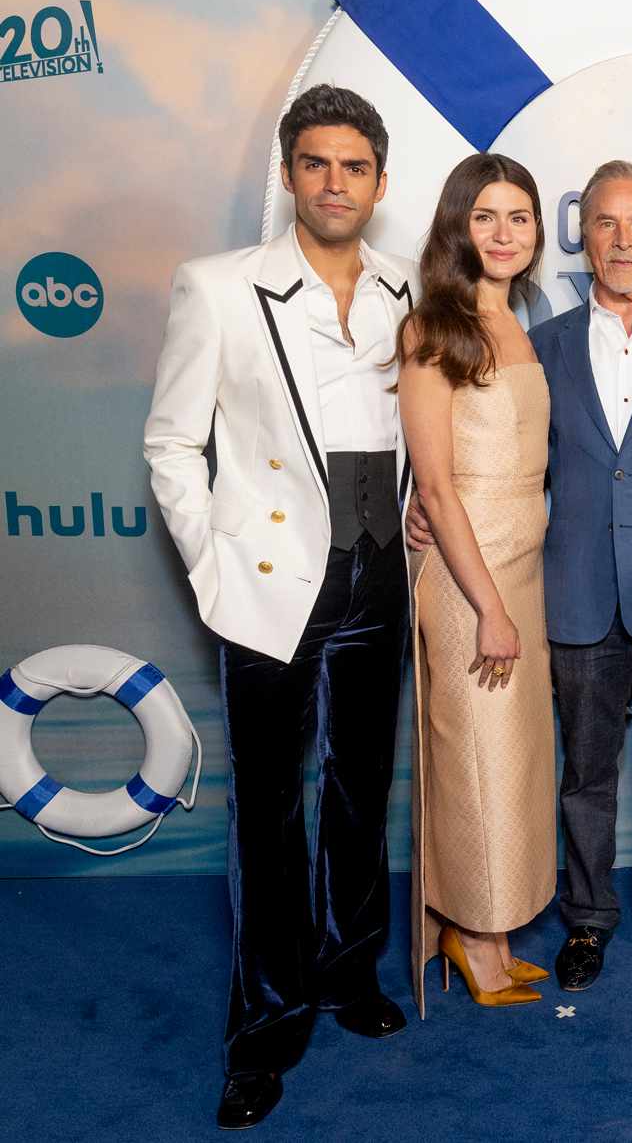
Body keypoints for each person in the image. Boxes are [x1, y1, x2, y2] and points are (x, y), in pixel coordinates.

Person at [409, 160, 632, 998]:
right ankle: (588, 920)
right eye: (605, 223)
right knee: (584, 775)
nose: (622, 240)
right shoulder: (545, 345)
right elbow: (489, 452)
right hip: (571, 597)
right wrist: (421, 508)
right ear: (582, 236)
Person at [144, 85, 413, 1130]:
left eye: (354, 166)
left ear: (379, 184)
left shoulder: (405, 291)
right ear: (291, 175)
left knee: (359, 792)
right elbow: (173, 443)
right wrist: (214, 564)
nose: (335, 182)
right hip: (268, 587)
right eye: (316, 163)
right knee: (268, 808)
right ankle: (265, 1022)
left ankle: (349, 975)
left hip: (380, 572)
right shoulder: (219, 288)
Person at [398, 153, 557, 1016]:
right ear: (458, 226)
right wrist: (487, 606)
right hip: (471, 581)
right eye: (486, 216)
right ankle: (472, 936)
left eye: (520, 217)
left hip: (523, 564)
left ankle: (485, 931)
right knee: (476, 761)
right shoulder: (433, 329)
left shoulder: (524, 327)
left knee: (515, 758)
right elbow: (436, 486)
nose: (504, 234)